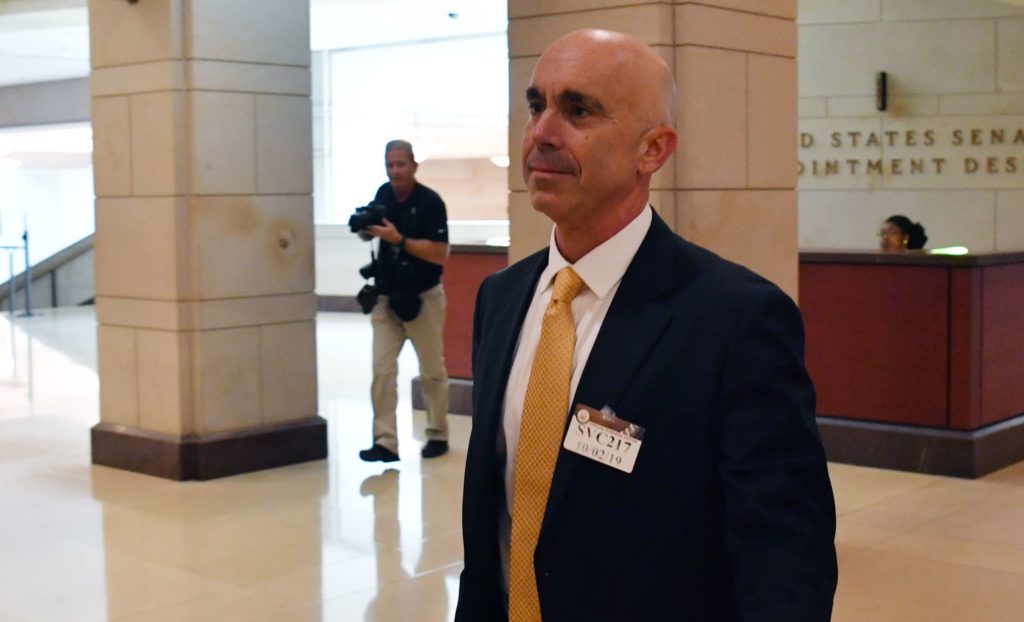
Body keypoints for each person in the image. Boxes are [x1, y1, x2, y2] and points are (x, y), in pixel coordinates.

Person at [456, 30, 837, 621]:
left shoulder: (735, 319)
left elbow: (783, 550)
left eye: (578, 109)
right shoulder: (502, 299)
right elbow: (495, 522)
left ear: (653, 150)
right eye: (537, 106)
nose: (542, 133)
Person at [356, 140, 450, 462]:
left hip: (423, 296)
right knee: (382, 371)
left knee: (431, 371)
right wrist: (366, 230)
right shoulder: (383, 194)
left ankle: (437, 433)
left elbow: (440, 254)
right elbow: (373, 231)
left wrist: (400, 240)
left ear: (413, 166)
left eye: (400, 164)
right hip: (386, 296)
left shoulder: (430, 202)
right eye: (390, 164)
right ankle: (385, 441)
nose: (395, 171)